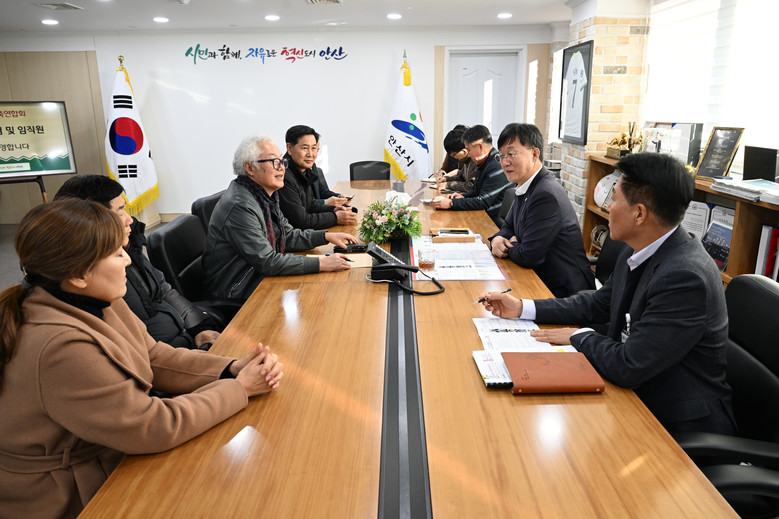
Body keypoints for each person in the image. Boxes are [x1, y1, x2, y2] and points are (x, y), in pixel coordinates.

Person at [0, 199, 283, 518]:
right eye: (116, 254)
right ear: (78, 274)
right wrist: (239, 388)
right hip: (70, 497)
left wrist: (231, 368)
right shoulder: (59, 346)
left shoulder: (94, 298)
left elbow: (152, 356)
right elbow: (151, 426)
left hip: (113, 453)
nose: (128, 260)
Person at [480, 152, 735, 435]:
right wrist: (523, 308)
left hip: (675, 424)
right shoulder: (641, 247)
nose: (608, 205)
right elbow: (600, 302)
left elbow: (629, 364)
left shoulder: (685, 277)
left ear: (639, 214)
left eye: (614, 198)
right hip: (633, 395)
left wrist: (579, 336)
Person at [54, 175, 220, 350]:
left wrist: (199, 328)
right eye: (120, 212)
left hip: (181, 345)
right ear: (93, 221)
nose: (130, 220)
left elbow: (163, 289)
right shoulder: (95, 283)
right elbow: (146, 354)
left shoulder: (130, 246)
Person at [202, 135, 357, 300]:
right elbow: (267, 262)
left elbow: (286, 235)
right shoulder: (241, 206)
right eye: (274, 162)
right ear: (250, 168)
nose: (282, 168)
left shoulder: (264, 195)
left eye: (282, 162)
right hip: (236, 289)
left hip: (257, 276)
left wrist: (326, 236)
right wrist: (321, 263)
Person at [489, 123, 594, 297]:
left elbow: (528, 256)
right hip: (538, 278)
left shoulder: (545, 194)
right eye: (501, 156)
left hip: (563, 292)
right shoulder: (525, 185)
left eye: (511, 154)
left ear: (534, 154)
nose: (505, 162)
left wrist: (512, 244)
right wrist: (498, 239)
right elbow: (508, 226)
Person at [430, 124, 513, 226]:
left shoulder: (497, 166)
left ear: (480, 147)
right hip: (482, 217)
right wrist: (462, 197)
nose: (468, 154)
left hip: (490, 223)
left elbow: (483, 201)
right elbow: (475, 191)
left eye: (469, 150)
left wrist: (451, 203)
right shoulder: (485, 161)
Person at [278, 125, 356, 230]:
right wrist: (335, 217)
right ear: (289, 148)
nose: (310, 154)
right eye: (305, 148)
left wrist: (334, 209)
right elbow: (301, 221)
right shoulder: (283, 175)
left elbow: (310, 205)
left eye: (314, 148)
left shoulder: (304, 170)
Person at [435, 124, 477, 193]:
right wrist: (446, 179)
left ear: (464, 151)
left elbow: (471, 185)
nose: (454, 157)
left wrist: (448, 185)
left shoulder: (475, 160)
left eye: (454, 155)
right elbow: (461, 177)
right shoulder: (465, 159)